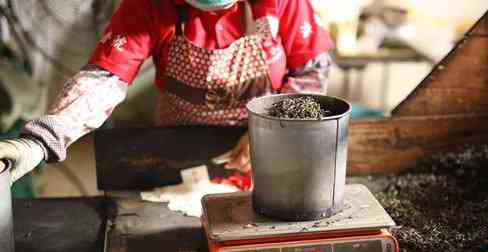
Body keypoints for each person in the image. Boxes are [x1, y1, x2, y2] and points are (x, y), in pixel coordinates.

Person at [0, 0, 333, 184]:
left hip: (265, 156)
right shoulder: (149, 5)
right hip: (176, 154)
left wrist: (271, 128)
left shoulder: (281, 3)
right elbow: (105, 80)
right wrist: (41, 140)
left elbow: (311, 71)